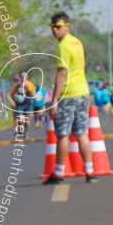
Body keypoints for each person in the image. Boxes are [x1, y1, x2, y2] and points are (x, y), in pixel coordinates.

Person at [43, 12, 97, 184]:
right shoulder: (77, 42)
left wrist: (54, 100)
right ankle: (90, 170)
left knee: (62, 134)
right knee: (82, 133)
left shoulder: (63, 47)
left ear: (68, 26)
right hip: (83, 92)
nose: (55, 31)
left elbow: (62, 73)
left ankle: (59, 172)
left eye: (58, 27)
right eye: (53, 27)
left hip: (69, 94)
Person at [8, 71, 36, 140]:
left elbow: (34, 95)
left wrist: (31, 98)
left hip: (28, 104)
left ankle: (26, 132)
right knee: (20, 119)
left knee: (27, 119)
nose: (23, 78)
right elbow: (8, 94)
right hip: (19, 105)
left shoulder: (30, 85)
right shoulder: (16, 85)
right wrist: (12, 101)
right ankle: (20, 129)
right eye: (22, 76)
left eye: (25, 76)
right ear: (20, 77)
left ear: (27, 77)